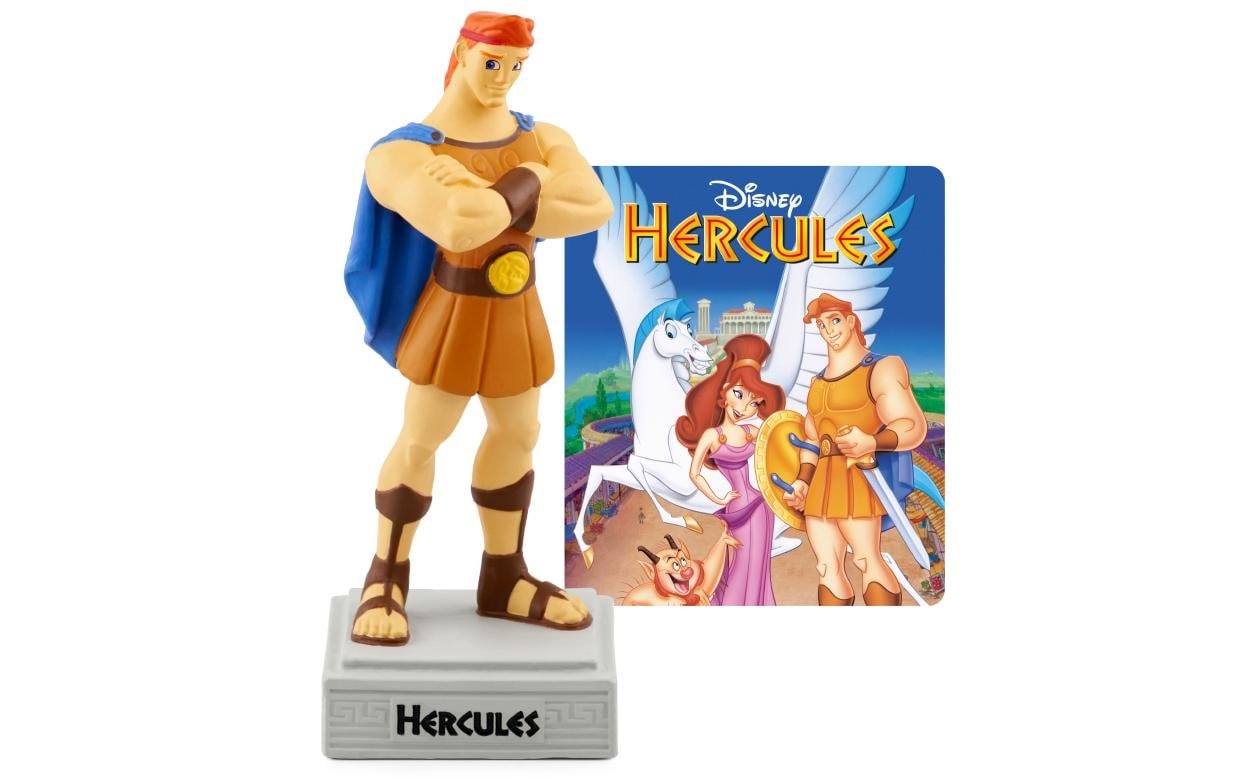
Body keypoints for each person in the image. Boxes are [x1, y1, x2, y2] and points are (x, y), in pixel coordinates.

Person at [343, 12, 613, 645]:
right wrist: (534, 179)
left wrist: (486, 191)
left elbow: (594, 206)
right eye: (492, 62)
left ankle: (504, 576)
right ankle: (387, 573)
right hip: (454, 310)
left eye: (516, 66)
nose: (503, 78)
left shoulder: (544, 134)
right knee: (422, 437)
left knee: (520, 433)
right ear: (461, 53)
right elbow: (458, 227)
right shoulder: (402, 151)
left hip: (517, 310)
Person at [783, 294, 927, 606]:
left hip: (858, 477)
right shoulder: (817, 384)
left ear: (851, 321)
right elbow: (812, 440)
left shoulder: (882, 368)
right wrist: (803, 480)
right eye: (821, 325)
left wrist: (872, 441)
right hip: (821, 485)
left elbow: (911, 425)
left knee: (866, 559)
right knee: (826, 567)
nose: (828, 330)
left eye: (834, 320)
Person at [674, 334, 784, 605]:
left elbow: (779, 449)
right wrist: (718, 498)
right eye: (739, 394)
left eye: (754, 402)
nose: (744, 408)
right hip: (736, 507)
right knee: (742, 561)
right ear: (724, 390)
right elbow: (694, 473)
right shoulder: (712, 435)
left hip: (761, 506)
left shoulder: (752, 430)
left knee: (759, 563)